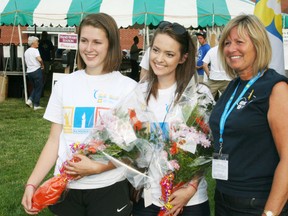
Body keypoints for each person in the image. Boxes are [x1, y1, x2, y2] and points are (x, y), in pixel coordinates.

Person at [21, 13, 137, 216]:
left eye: (97, 42)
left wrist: (98, 168)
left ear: (111, 44)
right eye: (84, 40)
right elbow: (54, 140)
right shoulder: (65, 85)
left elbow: (134, 149)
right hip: (66, 189)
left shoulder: (128, 89)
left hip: (108, 188)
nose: (88, 48)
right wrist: (32, 183)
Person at [209, 14, 288, 216]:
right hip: (223, 198)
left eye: (239, 42)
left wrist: (270, 213)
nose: (230, 48)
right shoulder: (234, 86)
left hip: (257, 203)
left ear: (258, 44)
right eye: (226, 42)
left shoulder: (275, 88)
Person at [132, 21, 212, 216]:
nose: (159, 59)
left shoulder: (199, 95)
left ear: (183, 58)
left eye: (169, 54)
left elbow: (207, 149)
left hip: (190, 200)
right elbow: (130, 143)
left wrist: (190, 188)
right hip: (149, 198)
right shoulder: (139, 93)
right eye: (156, 50)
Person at [24, 36, 44, 110]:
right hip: (36, 70)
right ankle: (36, 104)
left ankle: (30, 100)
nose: (38, 43)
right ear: (33, 43)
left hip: (29, 71)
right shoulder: (35, 50)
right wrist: (42, 65)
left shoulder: (26, 51)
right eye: (37, 41)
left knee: (35, 87)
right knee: (39, 87)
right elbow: (39, 59)